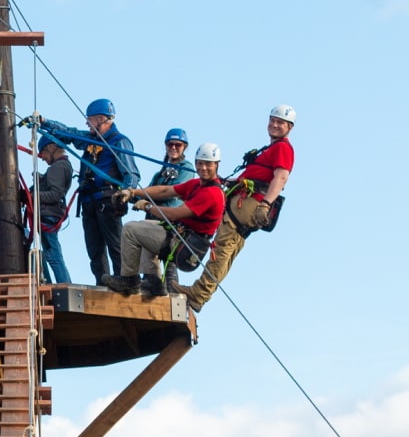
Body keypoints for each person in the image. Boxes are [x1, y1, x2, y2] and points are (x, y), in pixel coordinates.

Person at [184, 105, 295, 310]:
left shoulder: (283, 148)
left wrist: (265, 203)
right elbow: (264, 175)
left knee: (222, 247)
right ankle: (201, 293)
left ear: (289, 127)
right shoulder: (272, 148)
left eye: (280, 123)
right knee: (228, 249)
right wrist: (235, 181)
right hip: (249, 200)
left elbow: (281, 177)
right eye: (273, 120)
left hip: (251, 203)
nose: (275, 125)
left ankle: (198, 294)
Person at [106, 142, 226, 298]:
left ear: (216, 165)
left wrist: (148, 207)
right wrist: (133, 192)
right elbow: (166, 190)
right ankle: (153, 281)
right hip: (181, 237)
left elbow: (175, 214)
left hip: (185, 245)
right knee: (144, 226)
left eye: (208, 164)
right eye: (200, 163)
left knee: (130, 230)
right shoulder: (197, 185)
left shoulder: (210, 194)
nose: (203, 168)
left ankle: (130, 281)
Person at [40, 98, 140, 283]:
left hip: (107, 201)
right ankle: (103, 282)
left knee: (115, 245)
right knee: (94, 249)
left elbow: (131, 175)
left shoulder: (119, 142)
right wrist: (45, 123)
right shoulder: (91, 140)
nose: (87, 123)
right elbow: (70, 133)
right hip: (89, 202)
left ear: (101, 119)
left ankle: (124, 282)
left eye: (90, 119)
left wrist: (126, 195)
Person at [28, 138, 73, 284]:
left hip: (48, 216)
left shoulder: (57, 167)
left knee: (53, 256)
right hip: (52, 215)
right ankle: (63, 283)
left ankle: (63, 285)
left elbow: (55, 194)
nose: (44, 159)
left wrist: (31, 196)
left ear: (51, 147)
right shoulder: (64, 165)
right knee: (53, 254)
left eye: (43, 154)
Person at [149, 128, 196, 208]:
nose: (173, 147)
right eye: (170, 144)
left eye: (178, 145)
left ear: (184, 147)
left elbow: (173, 192)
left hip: (173, 217)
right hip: (155, 216)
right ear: (166, 146)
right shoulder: (159, 176)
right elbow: (144, 194)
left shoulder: (186, 168)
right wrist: (128, 193)